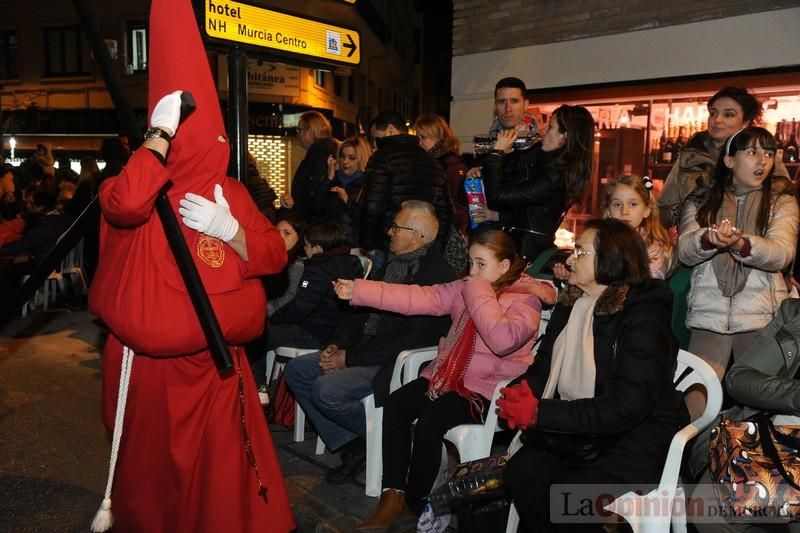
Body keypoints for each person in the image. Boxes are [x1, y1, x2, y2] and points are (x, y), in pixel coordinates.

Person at [87, 0, 295, 530]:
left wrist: (234, 232)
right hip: (148, 376)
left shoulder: (229, 191)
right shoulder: (135, 180)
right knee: (153, 480)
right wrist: (156, 143)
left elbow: (274, 255)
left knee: (218, 483)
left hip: (216, 372)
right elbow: (125, 205)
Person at [334, 228, 557, 530]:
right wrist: (360, 291)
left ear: (504, 266)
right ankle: (393, 495)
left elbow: (502, 340)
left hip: (485, 390)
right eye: (470, 263)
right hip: (447, 377)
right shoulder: (467, 286)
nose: (472, 271)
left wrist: (479, 290)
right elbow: (420, 297)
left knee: (432, 419)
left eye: (481, 263)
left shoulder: (525, 300)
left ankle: (416, 503)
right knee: (397, 403)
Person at [497, 219, 689, 533]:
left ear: (610, 261)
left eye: (581, 252)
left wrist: (538, 412)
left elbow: (627, 405)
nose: (570, 259)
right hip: (583, 430)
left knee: (569, 497)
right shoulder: (573, 302)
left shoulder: (645, 311)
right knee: (522, 472)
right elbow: (543, 369)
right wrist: (520, 394)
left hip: (638, 435)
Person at [283, 201, 456, 485]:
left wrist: (349, 358)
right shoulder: (388, 263)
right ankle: (356, 442)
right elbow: (356, 314)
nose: (389, 232)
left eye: (396, 227)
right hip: (362, 351)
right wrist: (336, 345)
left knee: (325, 389)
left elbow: (408, 339)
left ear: (417, 236)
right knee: (297, 371)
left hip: (391, 362)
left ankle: (379, 439)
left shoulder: (437, 277)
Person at [678, 126, 798, 418]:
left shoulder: (781, 202)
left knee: (755, 411)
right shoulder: (701, 201)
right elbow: (684, 250)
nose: (763, 161)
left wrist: (743, 244)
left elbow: (782, 252)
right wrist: (709, 239)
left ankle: (743, 465)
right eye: (753, 152)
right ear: (729, 160)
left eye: (769, 154)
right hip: (709, 318)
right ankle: (689, 463)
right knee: (693, 409)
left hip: (761, 320)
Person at [658, 86, 789, 228]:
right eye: (713, 113)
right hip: (695, 244)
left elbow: (784, 205)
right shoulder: (691, 156)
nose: (717, 120)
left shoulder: (764, 156)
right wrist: (683, 211)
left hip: (746, 244)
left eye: (728, 115)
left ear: (745, 122)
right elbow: (661, 210)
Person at [480, 104, 595, 261]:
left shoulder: (555, 176)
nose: (543, 131)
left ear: (564, 136)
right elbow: (520, 199)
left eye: (550, 127)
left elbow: (497, 197)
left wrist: (495, 154)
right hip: (519, 249)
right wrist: (514, 150)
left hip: (526, 257)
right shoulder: (549, 166)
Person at [358, 110, 453, 261]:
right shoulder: (432, 161)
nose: (375, 145)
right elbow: (446, 212)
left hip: (388, 245)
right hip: (423, 246)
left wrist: (367, 245)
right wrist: (437, 249)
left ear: (390, 129)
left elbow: (372, 207)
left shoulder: (382, 158)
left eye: (376, 138)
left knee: (385, 284)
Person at [554, 175, 674, 280]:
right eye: (617, 204)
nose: (624, 211)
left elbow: (649, 286)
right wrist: (571, 276)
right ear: (608, 211)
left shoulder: (652, 247)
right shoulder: (598, 240)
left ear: (646, 211)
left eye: (633, 204)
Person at [414, 113, 470, 236]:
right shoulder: (430, 162)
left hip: (448, 231)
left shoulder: (452, 165)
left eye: (423, 137)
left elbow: (459, 206)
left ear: (438, 137)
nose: (419, 142)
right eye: (417, 138)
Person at [315, 135, 371, 243]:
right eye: (342, 156)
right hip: (330, 243)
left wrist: (347, 201)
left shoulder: (368, 183)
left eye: (352, 158)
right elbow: (316, 208)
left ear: (362, 159)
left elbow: (366, 220)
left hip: (354, 245)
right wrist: (328, 179)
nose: (345, 162)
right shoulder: (332, 179)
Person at [286, 110, 338, 221]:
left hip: (312, 222)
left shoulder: (319, 149)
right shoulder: (327, 147)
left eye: (299, 130)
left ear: (310, 130)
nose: (297, 134)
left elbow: (313, 190)